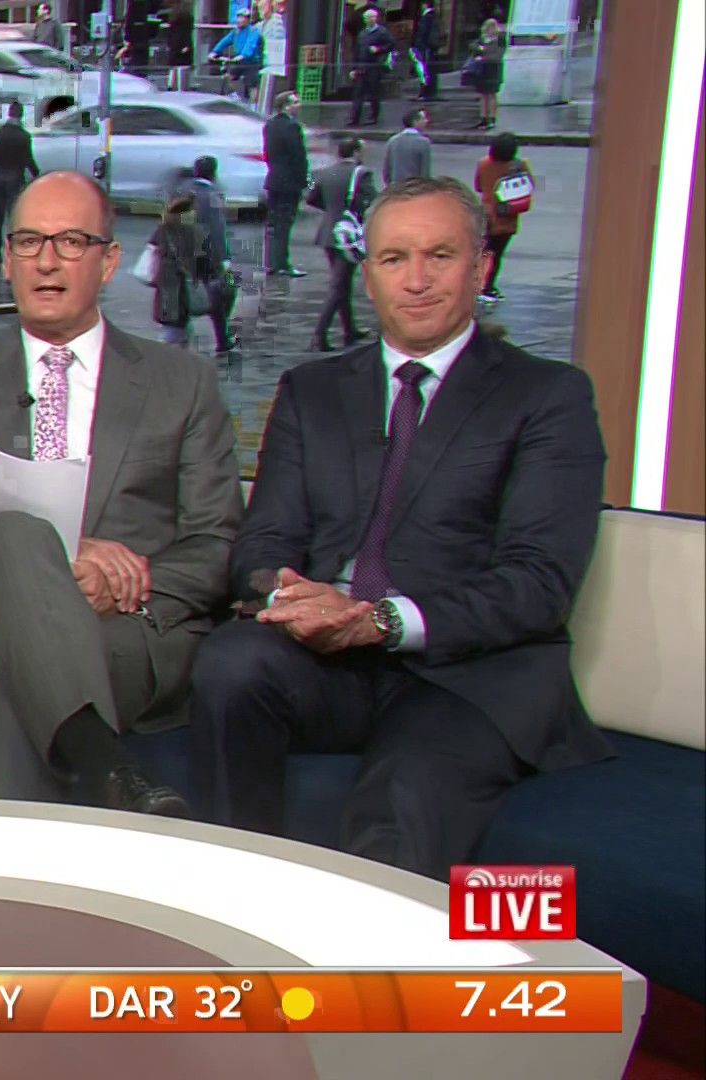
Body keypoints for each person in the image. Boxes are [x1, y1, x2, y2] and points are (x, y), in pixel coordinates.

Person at [188, 175, 610, 879]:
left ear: (481, 268)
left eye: (439, 256)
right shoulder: (311, 391)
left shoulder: (547, 396)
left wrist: (381, 621)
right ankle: (234, 899)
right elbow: (264, 542)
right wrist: (289, 597)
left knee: (401, 800)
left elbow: (540, 582)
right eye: (393, 258)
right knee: (232, 664)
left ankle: (369, 951)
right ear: (368, 274)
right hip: (329, 661)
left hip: (468, 674)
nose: (416, 280)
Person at [0, 172, 241, 814]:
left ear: (109, 261)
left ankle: (84, 785)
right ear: (7, 258)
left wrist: (129, 582)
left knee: (26, 670)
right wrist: (58, 559)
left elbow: (216, 543)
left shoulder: (183, 382)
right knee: (17, 532)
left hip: (123, 628)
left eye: (70, 241)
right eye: (29, 241)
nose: (46, 261)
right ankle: (108, 771)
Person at [307, 136, 377, 353]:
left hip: (328, 232)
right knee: (339, 285)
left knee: (343, 282)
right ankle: (319, 334)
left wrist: (332, 211)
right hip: (348, 235)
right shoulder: (361, 174)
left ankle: (349, 329)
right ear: (355, 152)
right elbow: (372, 201)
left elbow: (311, 198)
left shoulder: (324, 173)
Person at [475, 131, 534, 303]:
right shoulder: (519, 165)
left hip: (486, 215)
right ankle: (487, 287)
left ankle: (476, 284)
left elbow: (478, 186)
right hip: (506, 216)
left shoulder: (483, 163)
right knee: (496, 254)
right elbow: (529, 186)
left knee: (483, 251)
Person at [0, 101, 42, 270]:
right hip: (15, 180)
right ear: (21, 115)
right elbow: (28, 160)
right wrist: (38, 176)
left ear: (9, 113)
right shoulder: (24, 136)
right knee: (14, 219)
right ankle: (13, 252)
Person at [190, 155, 238, 353]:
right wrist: (224, 257)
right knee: (225, 291)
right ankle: (222, 337)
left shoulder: (181, 191)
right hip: (208, 254)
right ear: (213, 173)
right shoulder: (212, 196)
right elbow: (218, 229)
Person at [263, 92, 310, 278]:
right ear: (286, 106)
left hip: (274, 180)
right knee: (284, 224)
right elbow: (298, 157)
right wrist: (304, 181)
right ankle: (281, 263)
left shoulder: (270, 125)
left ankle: (271, 262)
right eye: (295, 102)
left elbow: (267, 153)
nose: (299, 105)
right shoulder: (292, 127)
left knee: (273, 224)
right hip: (289, 183)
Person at [149, 194, 203, 346]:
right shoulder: (192, 231)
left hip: (165, 286)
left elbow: (152, 249)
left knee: (174, 328)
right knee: (175, 333)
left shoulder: (163, 229)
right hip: (181, 286)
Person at [349, 7, 395, 127]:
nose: (369, 20)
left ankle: (373, 116)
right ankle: (354, 118)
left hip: (374, 65)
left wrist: (379, 49)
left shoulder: (382, 32)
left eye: (371, 17)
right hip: (361, 66)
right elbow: (356, 51)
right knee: (358, 93)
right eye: (367, 18)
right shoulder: (362, 34)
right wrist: (353, 68)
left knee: (373, 93)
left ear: (375, 18)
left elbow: (391, 44)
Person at [209, 10, 264, 100]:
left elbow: (250, 45)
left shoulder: (253, 31)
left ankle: (254, 105)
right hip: (240, 62)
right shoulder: (235, 32)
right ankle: (235, 96)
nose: (239, 20)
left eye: (242, 18)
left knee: (252, 85)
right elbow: (225, 41)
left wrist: (243, 55)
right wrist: (215, 52)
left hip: (252, 62)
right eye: (238, 17)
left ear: (247, 20)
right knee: (228, 77)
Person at [466, 19, 506, 129]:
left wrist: (483, 54)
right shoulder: (483, 39)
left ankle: (492, 119)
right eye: (487, 28)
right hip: (482, 70)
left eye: (491, 28)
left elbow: (497, 56)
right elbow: (472, 45)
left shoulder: (500, 39)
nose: (489, 30)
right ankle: (483, 118)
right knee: (483, 95)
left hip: (494, 69)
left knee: (492, 94)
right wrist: (479, 48)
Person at [384, 108, 434, 185]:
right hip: (414, 187)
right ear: (415, 122)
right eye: (423, 119)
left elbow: (387, 169)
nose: (426, 121)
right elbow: (425, 171)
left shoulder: (393, 140)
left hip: (396, 186)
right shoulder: (424, 142)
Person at [412, 0, 442, 100]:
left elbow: (423, 34)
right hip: (429, 49)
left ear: (424, 5)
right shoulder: (433, 17)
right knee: (429, 71)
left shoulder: (427, 17)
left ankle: (426, 93)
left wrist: (419, 46)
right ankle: (429, 92)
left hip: (425, 49)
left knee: (425, 71)